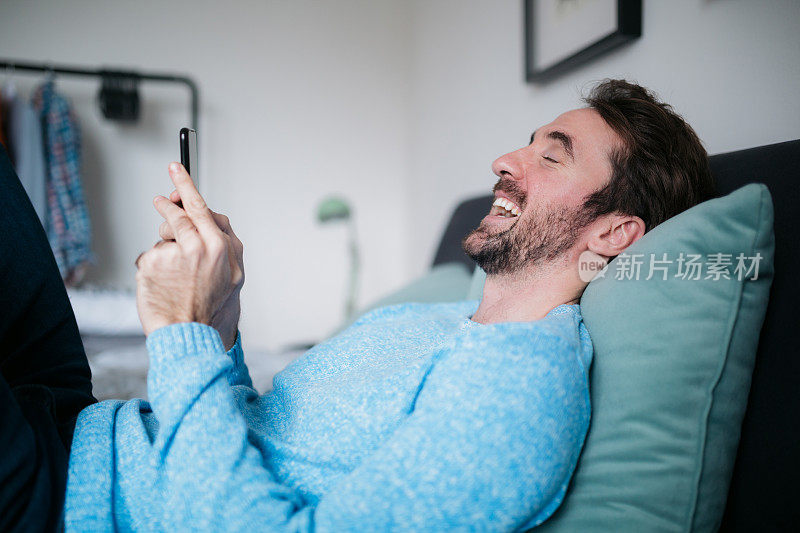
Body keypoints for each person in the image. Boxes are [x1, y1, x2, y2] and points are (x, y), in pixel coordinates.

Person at [0, 79, 714, 531]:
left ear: (614, 231)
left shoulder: (520, 393)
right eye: (525, 144)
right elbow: (264, 436)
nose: (505, 159)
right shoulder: (430, 320)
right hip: (81, 426)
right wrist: (218, 322)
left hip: (62, 499)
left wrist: (179, 336)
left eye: (550, 156)